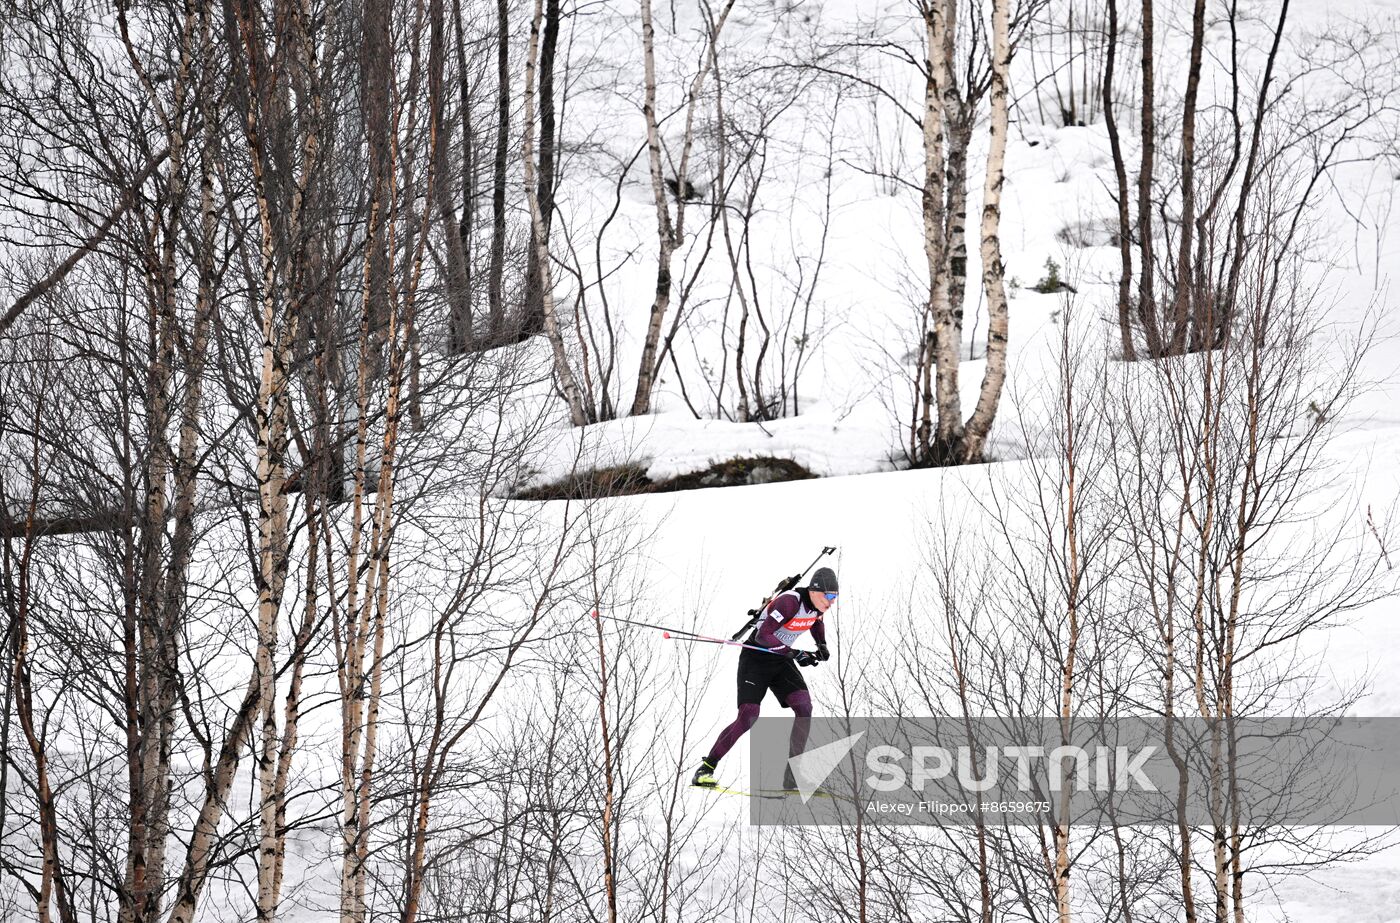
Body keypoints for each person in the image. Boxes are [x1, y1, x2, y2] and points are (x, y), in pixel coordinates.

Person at [692, 566, 839, 790]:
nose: (831, 602)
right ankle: (706, 769)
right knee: (749, 716)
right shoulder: (790, 602)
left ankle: (791, 776)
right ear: (814, 590)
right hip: (756, 657)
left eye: (835, 597)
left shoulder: (818, 607)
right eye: (828, 596)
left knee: (804, 707)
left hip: (781, 659)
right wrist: (796, 653)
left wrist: (821, 646)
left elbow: (816, 622)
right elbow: (763, 636)